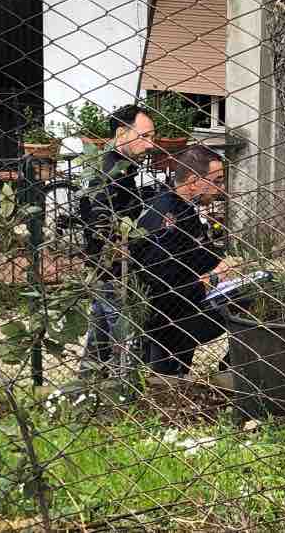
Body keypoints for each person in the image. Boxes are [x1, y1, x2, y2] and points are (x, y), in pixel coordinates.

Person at [131, 145, 229, 379]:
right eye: (217, 180)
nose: (221, 189)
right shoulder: (169, 216)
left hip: (182, 306)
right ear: (194, 181)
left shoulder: (180, 206)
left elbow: (192, 256)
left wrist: (221, 262)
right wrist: (212, 279)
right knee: (242, 306)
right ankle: (229, 374)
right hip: (168, 316)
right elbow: (163, 280)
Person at [79, 104, 155, 374]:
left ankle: (86, 381)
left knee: (100, 328)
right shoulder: (108, 170)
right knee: (126, 334)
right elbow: (100, 220)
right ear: (122, 132)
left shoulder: (124, 166)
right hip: (111, 265)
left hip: (107, 265)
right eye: (145, 136)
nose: (150, 145)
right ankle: (126, 389)